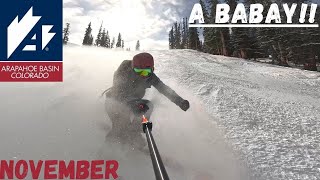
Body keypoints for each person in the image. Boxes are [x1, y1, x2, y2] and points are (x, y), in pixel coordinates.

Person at [103, 52, 190, 149]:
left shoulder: (151, 77)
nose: (142, 75)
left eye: (146, 72)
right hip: (115, 102)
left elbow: (164, 89)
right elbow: (118, 92)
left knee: (148, 105)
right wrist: (133, 103)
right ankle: (107, 151)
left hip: (135, 103)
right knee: (121, 125)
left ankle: (134, 133)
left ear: (152, 69)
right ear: (132, 68)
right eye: (138, 71)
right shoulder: (123, 71)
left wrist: (180, 101)